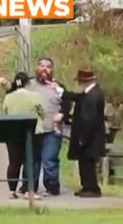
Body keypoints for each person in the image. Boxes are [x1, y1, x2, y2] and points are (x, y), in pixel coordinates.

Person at [24, 57, 66, 196]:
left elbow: (67, 104)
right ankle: (30, 186)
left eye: (48, 66)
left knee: (49, 160)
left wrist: (62, 114)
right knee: (32, 160)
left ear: (52, 70)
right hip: (33, 129)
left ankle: (52, 186)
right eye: (41, 65)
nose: (44, 69)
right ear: (36, 68)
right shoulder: (28, 85)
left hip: (52, 130)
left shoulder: (58, 87)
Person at [1, 72, 46, 198]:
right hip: (33, 132)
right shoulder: (35, 96)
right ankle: (29, 189)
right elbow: (43, 113)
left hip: (13, 133)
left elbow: (5, 112)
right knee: (31, 161)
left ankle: (12, 190)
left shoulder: (8, 97)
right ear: (28, 83)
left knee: (14, 162)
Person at [70, 67, 106, 198]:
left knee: (88, 163)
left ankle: (91, 187)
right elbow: (77, 98)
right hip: (91, 135)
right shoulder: (90, 93)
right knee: (84, 161)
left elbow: (89, 118)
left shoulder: (92, 96)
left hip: (91, 136)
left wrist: (83, 137)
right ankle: (86, 186)